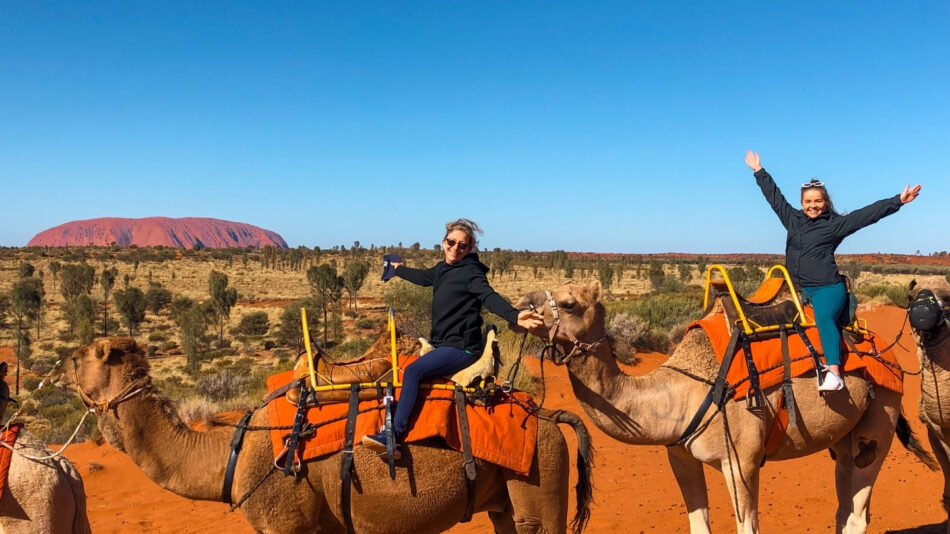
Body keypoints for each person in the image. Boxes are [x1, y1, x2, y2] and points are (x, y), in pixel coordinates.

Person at [362, 218, 544, 457]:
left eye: (462, 245)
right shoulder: (442, 269)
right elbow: (422, 277)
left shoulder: (471, 273)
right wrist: (397, 270)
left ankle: (393, 436)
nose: (455, 248)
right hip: (442, 344)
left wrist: (514, 315)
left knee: (414, 372)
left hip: (461, 348)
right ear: (443, 242)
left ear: (470, 249)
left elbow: (489, 297)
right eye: (451, 242)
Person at [745, 151, 921, 392]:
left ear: (825, 202)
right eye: (808, 202)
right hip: (798, 288)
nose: (812, 206)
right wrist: (759, 171)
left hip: (828, 288)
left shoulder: (834, 225)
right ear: (801, 202)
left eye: (817, 201)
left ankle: (835, 372)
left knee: (824, 318)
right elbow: (774, 197)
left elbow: (864, 216)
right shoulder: (792, 220)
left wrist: (897, 201)